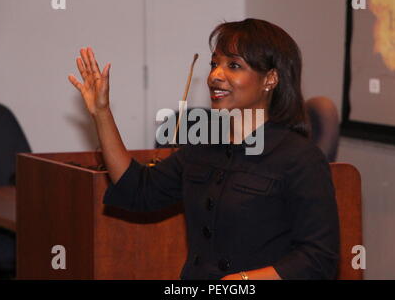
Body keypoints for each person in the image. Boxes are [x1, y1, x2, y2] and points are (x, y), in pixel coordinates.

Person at [68, 18, 340, 280]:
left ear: (270, 79)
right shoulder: (203, 145)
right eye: (214, 64)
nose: (214, 76)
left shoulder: (301, 158)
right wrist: (101, 113)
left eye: (233, 65)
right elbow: (140, 190)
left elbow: (318, 258)